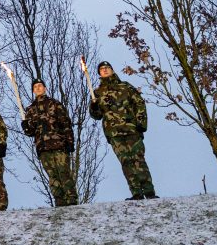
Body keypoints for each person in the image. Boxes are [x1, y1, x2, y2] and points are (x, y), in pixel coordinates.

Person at [89, 61, 157, 200]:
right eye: (102, 69)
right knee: (126, 162)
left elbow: (139, 103)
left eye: (107, 68)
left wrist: (141, 124)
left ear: (112, 70)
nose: (105, 70)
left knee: (138, 159)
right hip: (114, 133)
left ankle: (149, 192)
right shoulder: (97, 92)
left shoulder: (125, 87)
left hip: (131, 129)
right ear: (99, 73)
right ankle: (136, 192)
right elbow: (96, 115)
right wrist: (94, 106)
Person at [21, 79, 79, 206]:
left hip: (59, 143)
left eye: (40, 86)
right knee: (52, 175)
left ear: (45, 88)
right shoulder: (30, 110)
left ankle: (71, 199)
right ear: (33, 90)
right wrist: (25, 125)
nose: (38, 88)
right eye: (35, 87)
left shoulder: (55, 104)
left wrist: (70, 141)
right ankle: (59, 200)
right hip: (43, 147)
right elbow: (30, 132)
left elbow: (66, 123)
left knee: (64, 172)